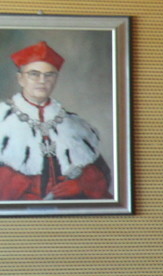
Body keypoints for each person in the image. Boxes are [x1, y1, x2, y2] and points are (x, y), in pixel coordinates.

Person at [0, 40, 112, 200]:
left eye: (49, 75)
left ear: (56, 79)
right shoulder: (2, 119)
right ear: (20, 79)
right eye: (34, 74)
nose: (42, 80)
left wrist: (80, 185)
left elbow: (102, 174)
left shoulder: (75, 124)